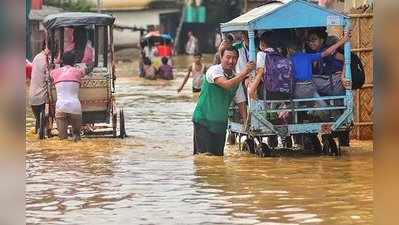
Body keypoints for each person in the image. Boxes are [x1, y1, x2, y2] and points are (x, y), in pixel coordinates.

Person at [192, 46, 255, 156]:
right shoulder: (214, 70)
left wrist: (246, 122)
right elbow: (226, 84)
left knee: (218, 158)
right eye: (228, 57)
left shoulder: (237, 79)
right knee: (204, 158)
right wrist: (245, 72)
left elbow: (241, 102)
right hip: (203, 121)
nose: (231, 61)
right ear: (221, 57)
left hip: (220, 124)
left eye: (234, 58)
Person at [50, 52, 85, 141]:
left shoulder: (54, 72)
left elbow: (49, 74)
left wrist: (56, 63)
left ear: (62, 61)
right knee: (77, 137)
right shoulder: (78, 72)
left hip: (61, 107)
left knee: (62, 139)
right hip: (75, 107)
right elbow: (84, 70)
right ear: (74, 62)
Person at [29, 40, 49, 134]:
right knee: (42, 125)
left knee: (39, 124)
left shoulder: (37, 57)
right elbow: (50, 77)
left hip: (33, 97)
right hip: (41, 97)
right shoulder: (45, 59)